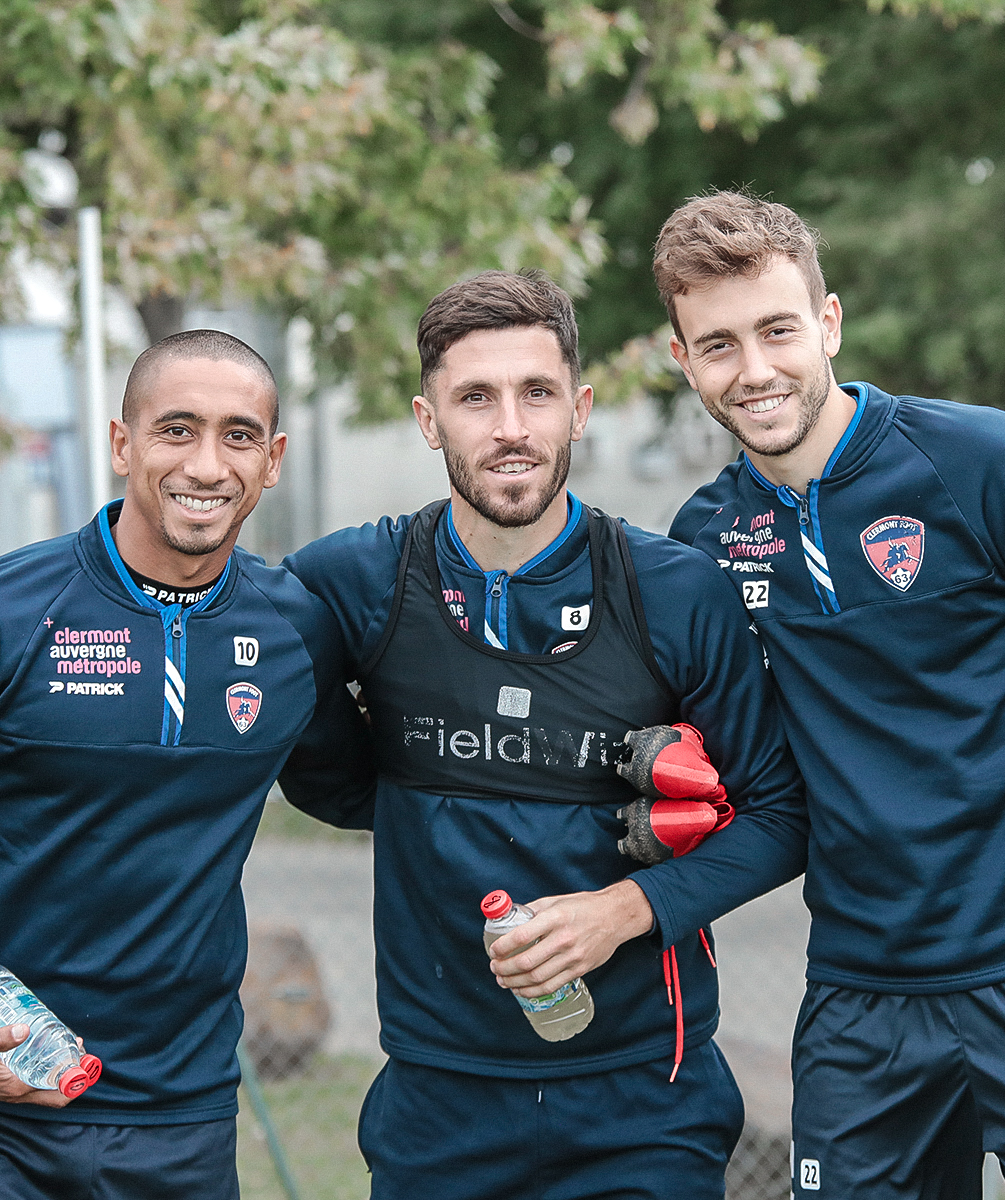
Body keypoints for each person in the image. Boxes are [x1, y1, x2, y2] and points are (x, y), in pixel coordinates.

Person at [657, 191, 1005, 1198]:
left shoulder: (981, 460)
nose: (753, 369)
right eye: (717, 345)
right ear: (681, 359)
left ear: (828, 322)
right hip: (862, 1002)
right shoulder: (704, 541)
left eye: (777, 330)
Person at [277, 270, 810, 1198]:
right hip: (438, 1103)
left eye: (537, 393)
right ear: (428, 419)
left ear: (580, 409)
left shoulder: (675, 592)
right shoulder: (353, 581)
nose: (511, 427)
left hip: (646, 1099)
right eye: (475, 398)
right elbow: (217, 642)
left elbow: (782, 816)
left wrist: (623, 911)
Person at [0, 329, 370, 1199]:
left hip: (182, 1121)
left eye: (237, 436)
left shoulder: (295, 630)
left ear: (272, 461)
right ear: (123, 444)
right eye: (176, 429)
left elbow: (369, 788)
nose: (205, 465)